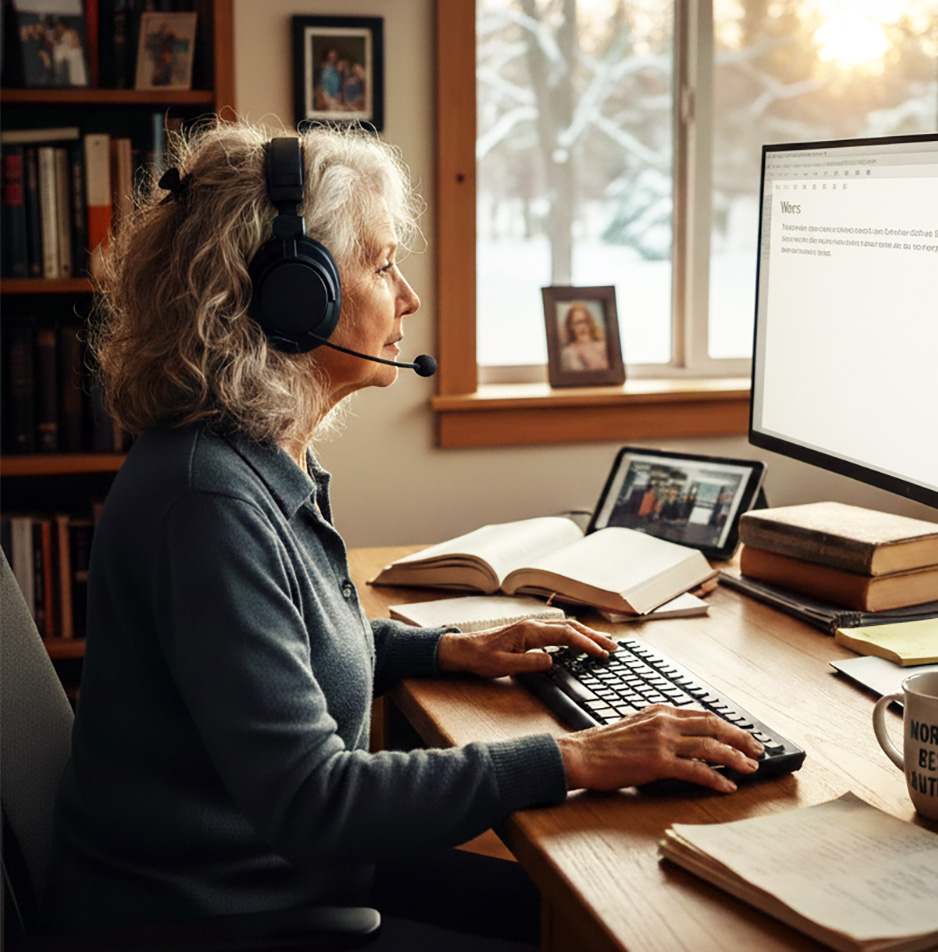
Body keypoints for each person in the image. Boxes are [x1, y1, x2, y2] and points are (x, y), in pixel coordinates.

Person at [40, 119, 764, 950]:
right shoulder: (208, 503)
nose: (408, 297)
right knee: (617, 918)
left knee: (619, 907)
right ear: (293, 295)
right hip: (216, 915)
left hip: (276, 877)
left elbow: (285, 654)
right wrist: (578, 758)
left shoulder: (247, 459)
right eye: (383, 265)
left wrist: (449, 649)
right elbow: (319, 801)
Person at [559, 301, 609, 371]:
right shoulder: (567, 353)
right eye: (578, 323)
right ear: (571, 326)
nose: (583, 327)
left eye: (585, 321)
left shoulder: (603, 347)